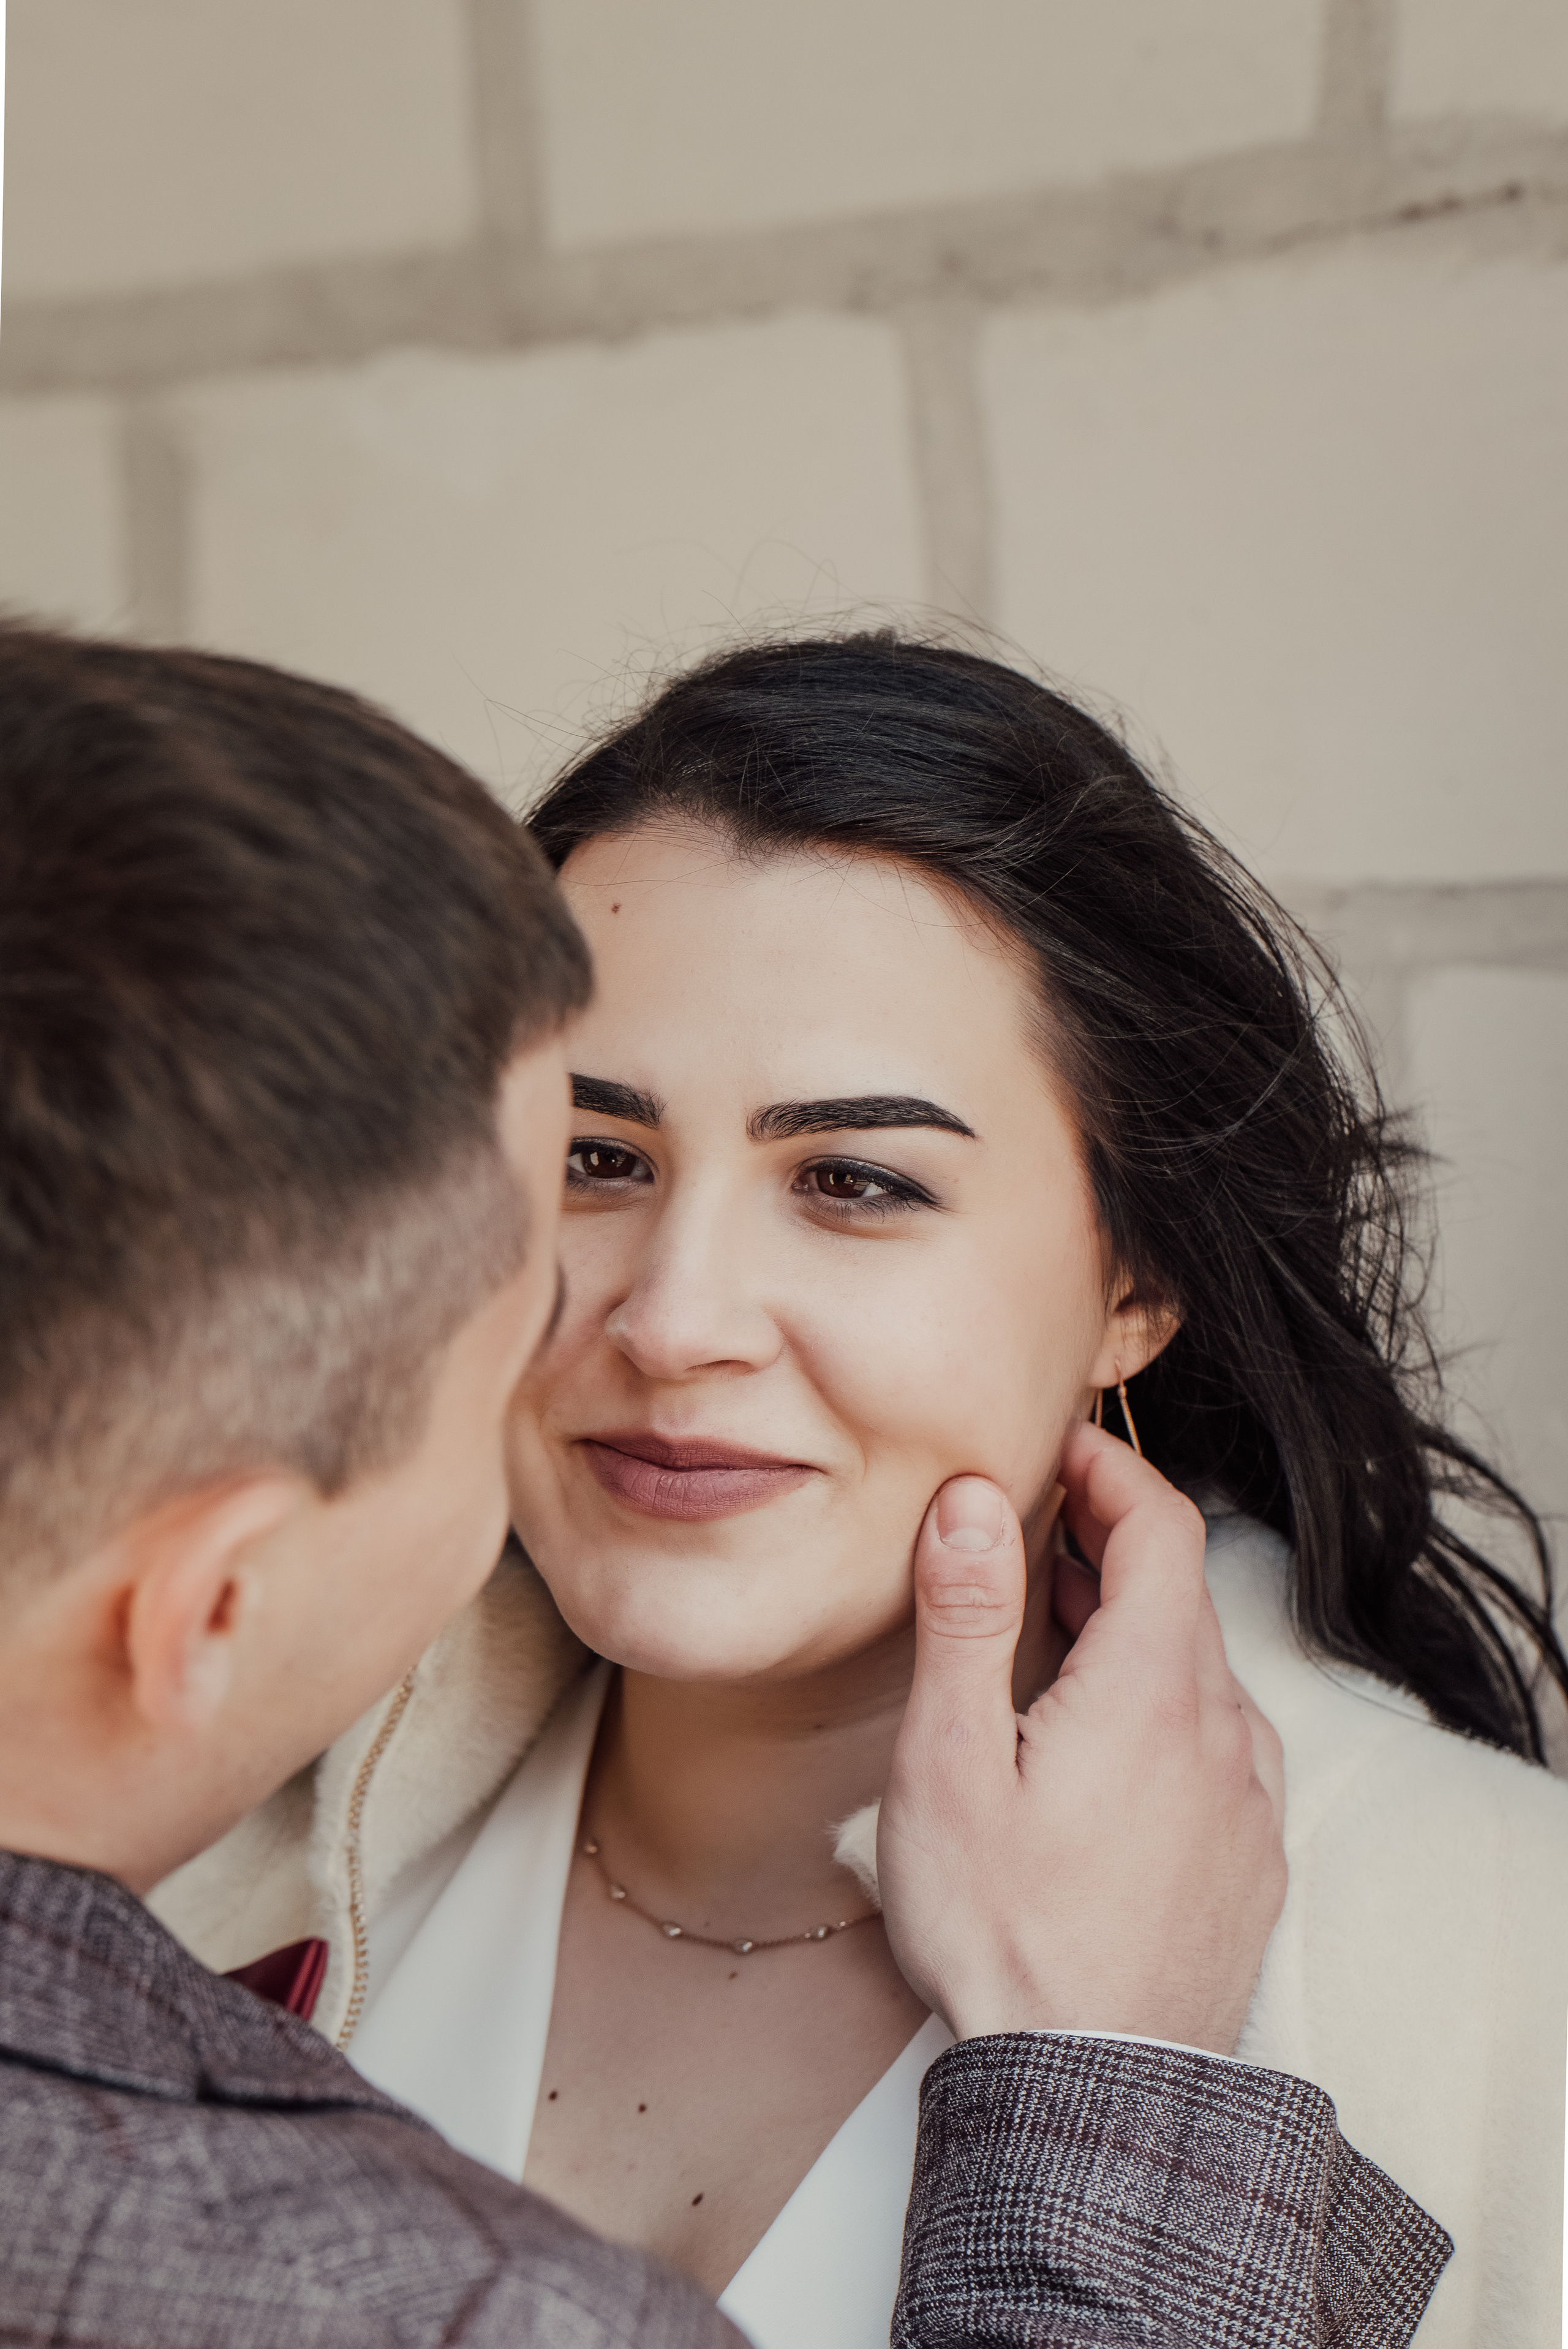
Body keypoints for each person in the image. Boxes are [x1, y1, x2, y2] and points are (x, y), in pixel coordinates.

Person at [0, 619, 1446, 2349]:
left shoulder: (1480, 1961)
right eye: (595, 1159)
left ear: (1134, 1283)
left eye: (851, 1178)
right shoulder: (181, 1815)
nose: (674, 1319)